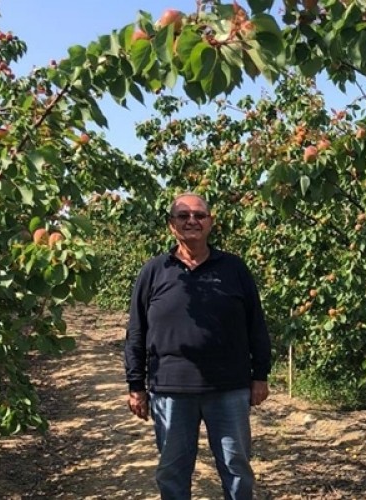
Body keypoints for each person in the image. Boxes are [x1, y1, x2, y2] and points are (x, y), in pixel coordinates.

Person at [124, 193, 271, 500]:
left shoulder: (234, 268)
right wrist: (135, 384)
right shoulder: (154, 271)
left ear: (210, 222)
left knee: (236, 466)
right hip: (170, 389)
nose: (192, 220)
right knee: (172, 471)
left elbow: (256, 324)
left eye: (199, 215)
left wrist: (261, 375)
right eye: (183, 215)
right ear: (170, 225)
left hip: (229, 387)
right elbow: (137, 330)